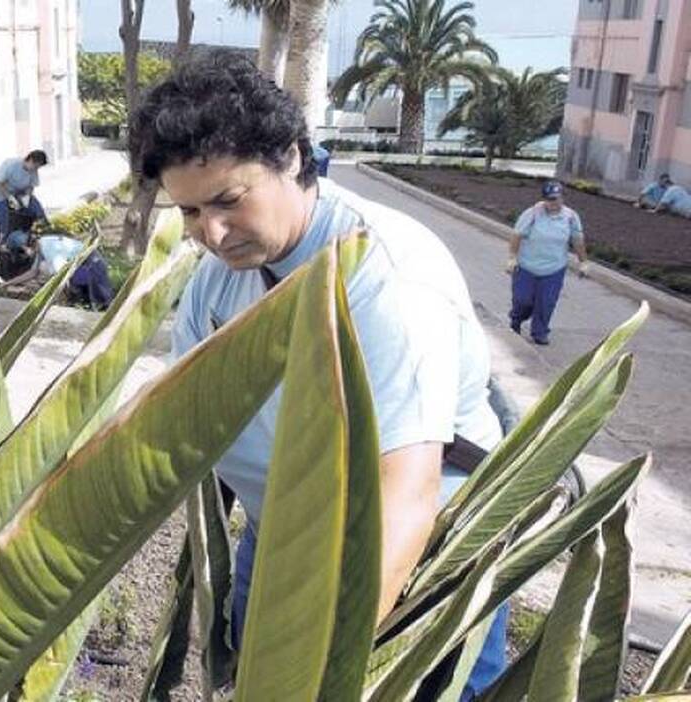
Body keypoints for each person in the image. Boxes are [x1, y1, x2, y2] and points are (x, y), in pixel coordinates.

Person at [130, 53, 507, 698]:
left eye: (227, 201)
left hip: (417, 544)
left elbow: (404, 494)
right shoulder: (219, 277)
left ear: (295, 159)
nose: (212, 234)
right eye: (190, 213)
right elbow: (176, 418)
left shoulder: (386, 276)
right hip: (280, 530)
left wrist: (324, 666)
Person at [506, 181, 588, 346]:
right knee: (523, 300)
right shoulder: (532, 214)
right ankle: (516, 319)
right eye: (549, 199)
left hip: (554, 269)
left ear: (562, 198)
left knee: (546, 302)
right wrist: (512, 257)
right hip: (527, 267)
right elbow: (517, 235)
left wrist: (583, 262)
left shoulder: (571, 217)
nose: (552, 203)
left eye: (555, 199)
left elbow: (577, 240)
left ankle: (540, 332)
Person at [0, 150, 49, 239]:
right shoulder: (11, 164)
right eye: (35, 166)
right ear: (30, 160)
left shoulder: (33, 170)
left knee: (36, 209)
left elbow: (31, 185)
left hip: (17, 191)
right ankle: (3, 243)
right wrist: (9, 197)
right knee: (5, 218)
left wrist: (27, 197)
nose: (36, 169)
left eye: (38, 167)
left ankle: (41, 235)